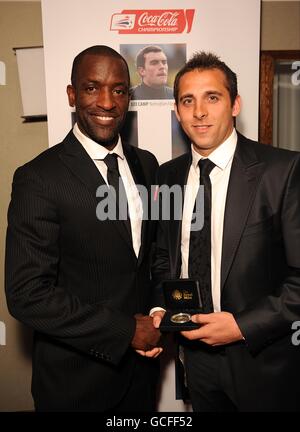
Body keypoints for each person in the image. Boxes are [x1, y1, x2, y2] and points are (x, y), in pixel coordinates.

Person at [5, 45, 162, 412]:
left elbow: (146, 258)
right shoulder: (39, 178)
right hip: (75, 386)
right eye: (92, 88)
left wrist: (157, 311)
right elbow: (27, 293)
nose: (107, 102)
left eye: (119, 90)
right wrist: (125, 332)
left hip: (141, 379)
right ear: (72, 94)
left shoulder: (148, 165)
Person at [151, 52, 300, 411]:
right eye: (188, 100)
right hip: (195, 361)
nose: (199, 111)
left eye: (212, 98)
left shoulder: (282, 171)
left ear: (235, 104)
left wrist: (242, 326)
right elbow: (163, 255)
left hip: (262, 362)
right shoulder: (166, 176)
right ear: (177, 111)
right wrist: (160, 305)